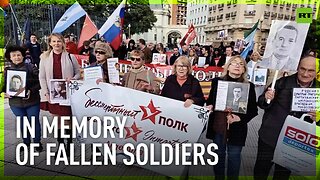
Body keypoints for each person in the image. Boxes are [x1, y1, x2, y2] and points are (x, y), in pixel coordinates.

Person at [253, 55, 318, 180]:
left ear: (317, 72)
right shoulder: (282, 82)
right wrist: (267, 98)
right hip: (270, 137)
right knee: (261, 170)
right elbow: (262, 103)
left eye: (311, 71)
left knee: (282, 174)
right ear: (297, 68)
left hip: (294, 141)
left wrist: (318, 117)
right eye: (302, 69)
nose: (305, 74)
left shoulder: (318, 89)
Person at [206, 55, 258, 179]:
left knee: (234, 157)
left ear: (244, 69)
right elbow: (210, 101)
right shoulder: (217, 82)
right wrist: (210, 106)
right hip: (219, 126)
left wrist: (240, 119)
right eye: (234, 63)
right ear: (228, 67)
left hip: (237, 128)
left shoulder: (249, 86)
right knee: (218, 155)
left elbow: (253, 110)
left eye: (241, 64)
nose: (237, 66)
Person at [39, 33, 80, 156]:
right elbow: (41, 77)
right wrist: (46, 93)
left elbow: (78, 73)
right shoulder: (44, 58)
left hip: (67, 95)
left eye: (59, 41)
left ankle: (69, 145)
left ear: (63, 42)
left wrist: (72, 78)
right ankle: (61, 145)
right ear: (50, 43)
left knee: (68, 121)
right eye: (54, 41)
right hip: (53, 95)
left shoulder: (70, 57)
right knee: (57, 121)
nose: (57, 44)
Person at [3, 45, 42, 152]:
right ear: (10, 57)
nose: (17, 57)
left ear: (23, 56)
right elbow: (3, 87)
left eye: (19, 55)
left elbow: (40, 82)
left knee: (33, 122)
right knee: (22, 122)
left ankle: (37, 142)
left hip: (32, 101)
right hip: (15, 103)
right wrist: (4, 93)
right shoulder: (7, 70)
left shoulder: (31, 67)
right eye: (14, 55)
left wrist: (31, 90)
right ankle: (26, 142)